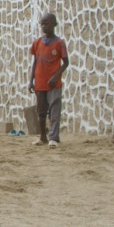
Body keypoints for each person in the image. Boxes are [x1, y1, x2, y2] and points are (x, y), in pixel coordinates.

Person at [29, 12, 69, 148]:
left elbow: (66, 63)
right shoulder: (37, 43)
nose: (44, 27)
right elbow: (35, 62)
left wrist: (55, 76)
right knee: (41, 111)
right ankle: (42, 136)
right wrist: (31, 80)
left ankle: (54, 137)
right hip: (40, 83)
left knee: (54, 110)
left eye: (47, 24)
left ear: (54, 25)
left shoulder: (59, 43)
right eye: (42, 24)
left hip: (53, 84)